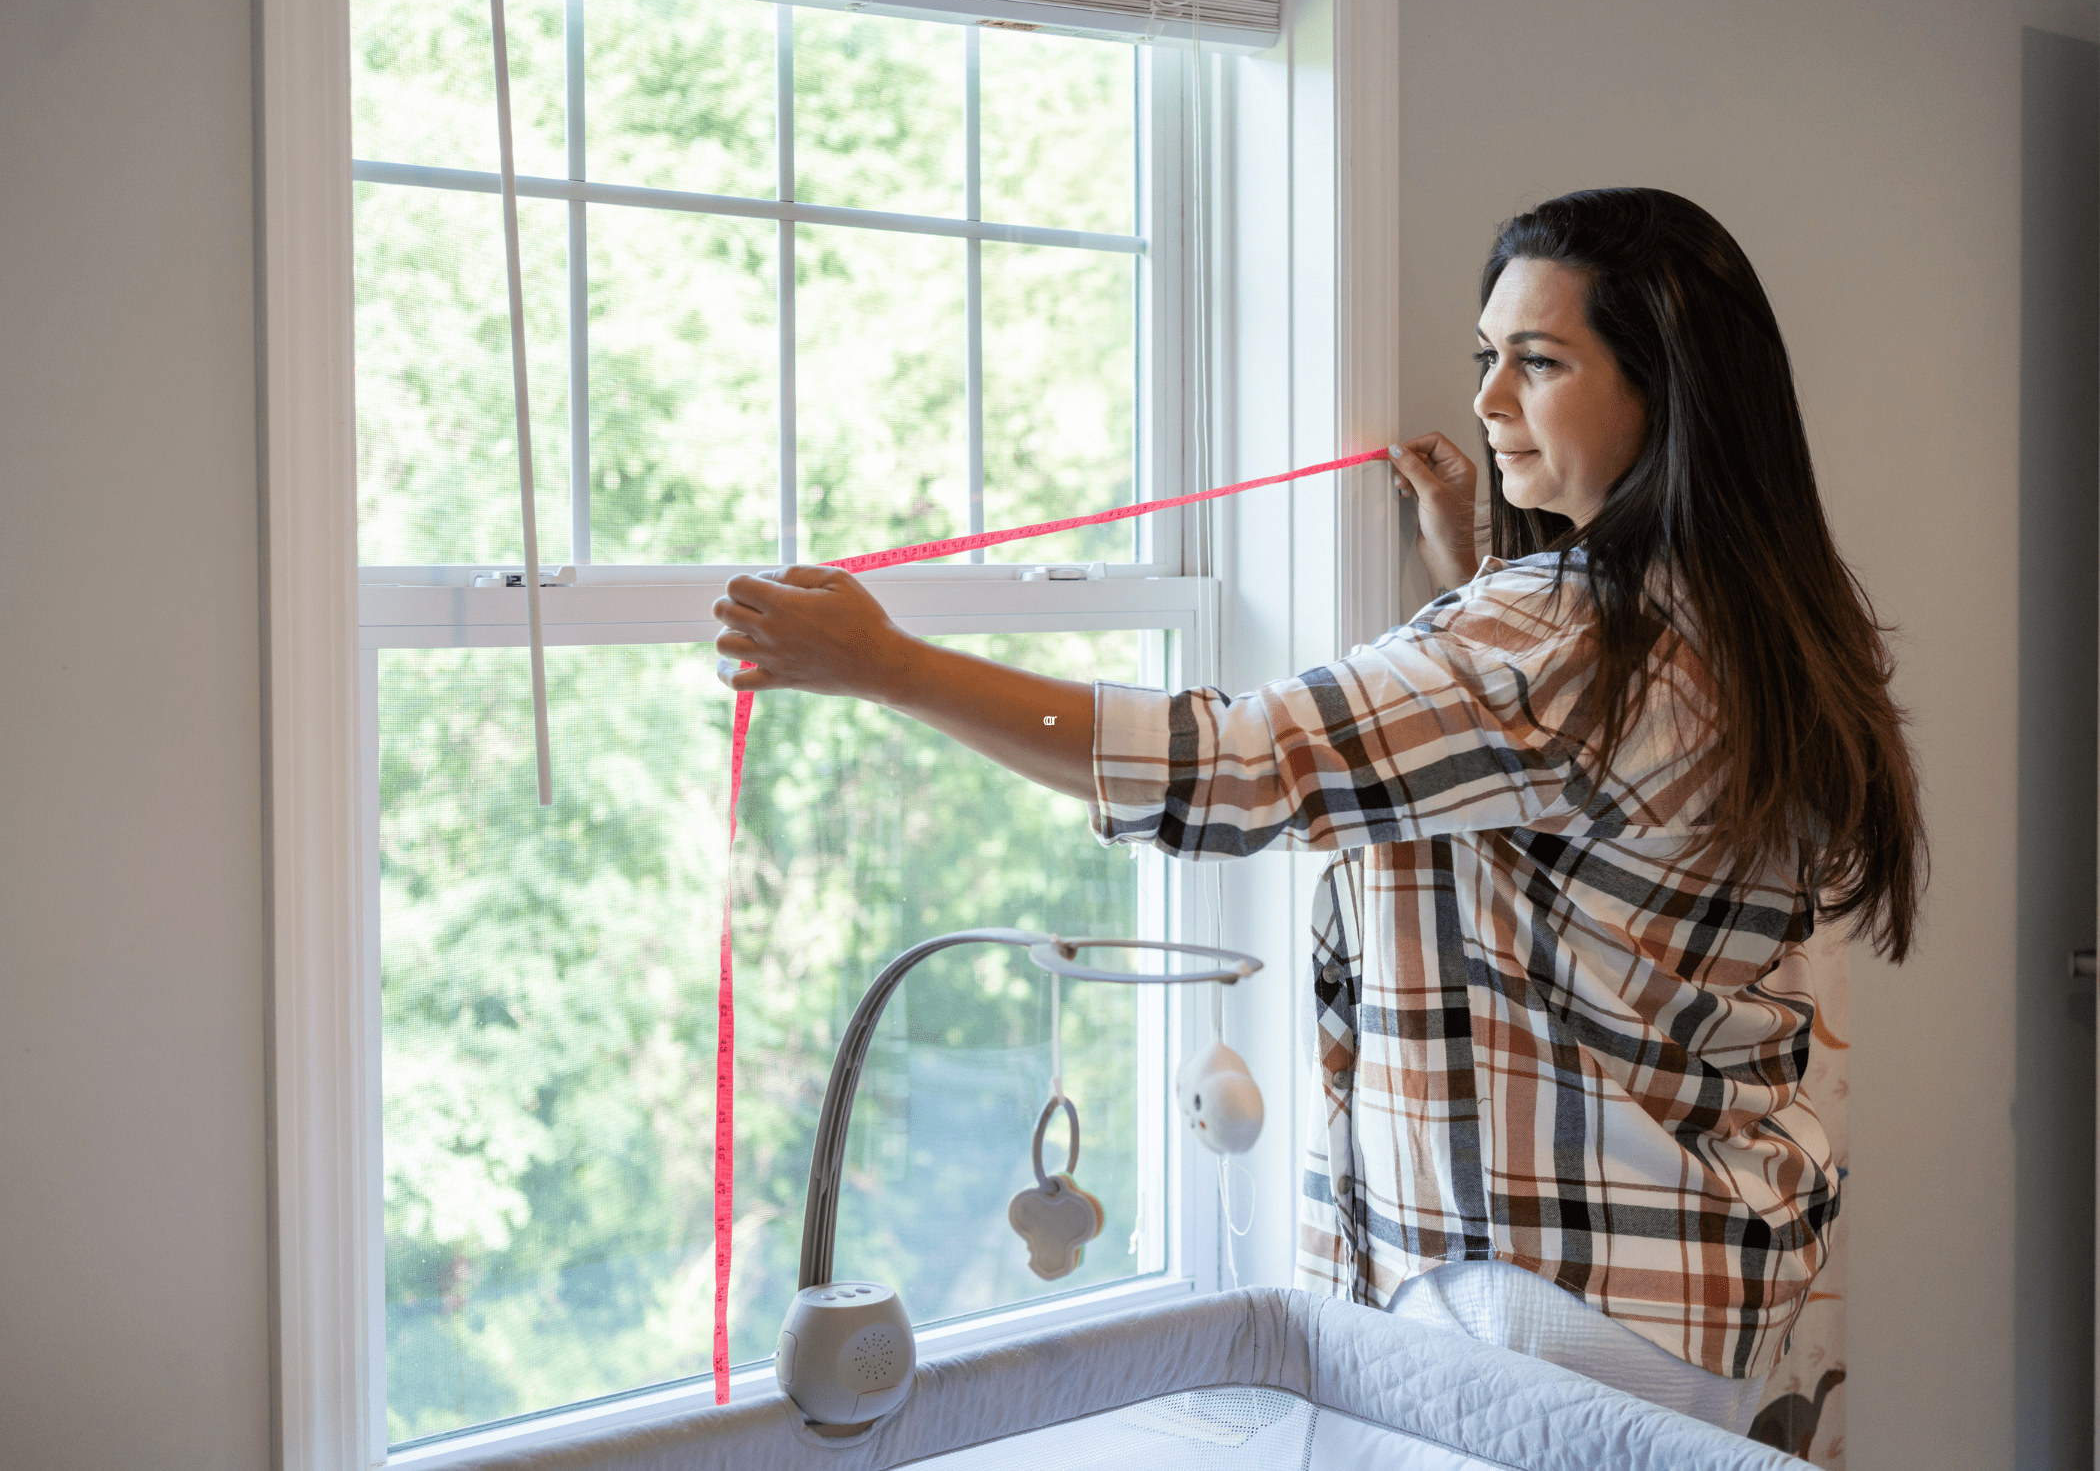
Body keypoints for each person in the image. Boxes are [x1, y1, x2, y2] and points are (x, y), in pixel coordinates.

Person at [709, 187, 1924, 1435]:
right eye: (1484, 356)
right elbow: (1581, 824)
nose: (1488, 400)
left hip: (1543, 1292)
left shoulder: (1557, 639)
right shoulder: (1760, 616)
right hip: (1690, 1282)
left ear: (1663, 394)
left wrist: (890, 665)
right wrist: (1480, 578)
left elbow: (1234, 767)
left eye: (1540, 362)